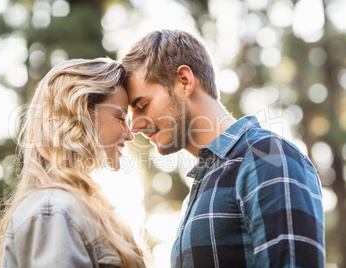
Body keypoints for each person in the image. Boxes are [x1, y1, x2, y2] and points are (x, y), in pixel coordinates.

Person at [120, 30, 325, 268]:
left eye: (142, 105)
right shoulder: (202, 187)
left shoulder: (267, 156)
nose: (134, 127)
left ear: (184, 82)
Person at [0, 58, 151, 267]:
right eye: (121, 118)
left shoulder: (81, 209)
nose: (130, 135)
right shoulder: (53, 211)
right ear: (80, 115)